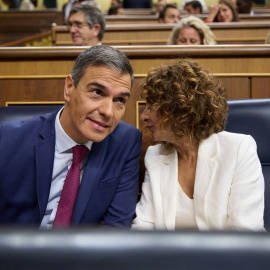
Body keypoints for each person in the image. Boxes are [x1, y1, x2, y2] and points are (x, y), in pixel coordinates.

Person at [0, 45, 142, 229]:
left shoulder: (126, 142)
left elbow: (114, 229)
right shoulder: (7, 138)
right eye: (97, 92)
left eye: (119, 100)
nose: (108, 112)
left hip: (85, 256)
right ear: (69, 88)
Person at [132, 58, 264, 231]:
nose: (144, 116)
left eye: (151, 106)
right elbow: (143, 226)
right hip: (169, 257)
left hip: (229, 257)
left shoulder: (239, 148)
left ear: (179, 109)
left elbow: (245, 232)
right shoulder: (155, 155)